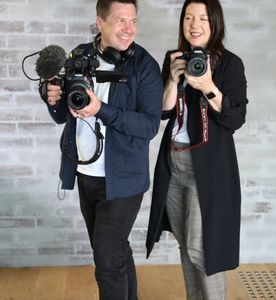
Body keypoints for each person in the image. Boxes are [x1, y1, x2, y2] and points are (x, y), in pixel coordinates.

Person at [43, 0, 163, 299]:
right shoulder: (79, 56)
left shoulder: (144, 65)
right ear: (101, 23)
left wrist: (101, 110)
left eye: (133, 20)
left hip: (123, 181)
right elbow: (62, 116)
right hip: (85, 172)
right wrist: (51, 96)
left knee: (107, 262)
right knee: (115, 250)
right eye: (120, 20)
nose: (129, 29)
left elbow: (149, 126)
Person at [146, 0, 248, 299]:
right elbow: (163, 113)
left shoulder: (230, 64)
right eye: (188, 17)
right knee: (184, 243)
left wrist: (207, 85)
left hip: (209, 168)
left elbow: (235, 119)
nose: (194, 24)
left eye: (202, 18)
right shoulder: (174, 58)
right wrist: (173, 80)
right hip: (174, 162)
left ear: (214, 23)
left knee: (201, 248)